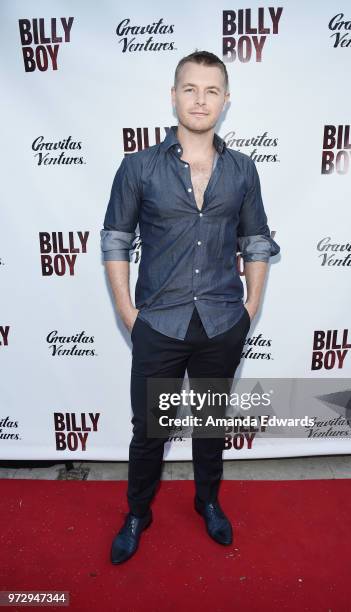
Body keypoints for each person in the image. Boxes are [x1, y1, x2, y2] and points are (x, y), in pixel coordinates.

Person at [100, 50, 280, 565]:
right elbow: (115, 241)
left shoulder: (243, 170)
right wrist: (128, 315)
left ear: (226, 101)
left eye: (211, 90)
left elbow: (257, 241)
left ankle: (208, 501)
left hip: (223, 321)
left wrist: (251, 307)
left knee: (209, 423)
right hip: (158, 322)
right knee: (149, 431)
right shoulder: (138, 167)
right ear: (173, 95)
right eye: (190, 88)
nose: (200, 100)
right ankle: (137, 512)